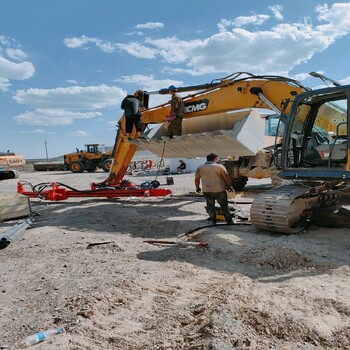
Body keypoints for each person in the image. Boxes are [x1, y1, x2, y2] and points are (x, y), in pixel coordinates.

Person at [194, 153, 234, 225]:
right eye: (218, 158)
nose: (218, 159)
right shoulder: (220, 167)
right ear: (215, 159)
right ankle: (229, 221)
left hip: (207, 190)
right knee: (224, 206)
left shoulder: (200, 167)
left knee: (210, 206)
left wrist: (197, 187)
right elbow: (227, 178)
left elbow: (197, 179)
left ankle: (213, 221)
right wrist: (229, 186)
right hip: (219, 190)